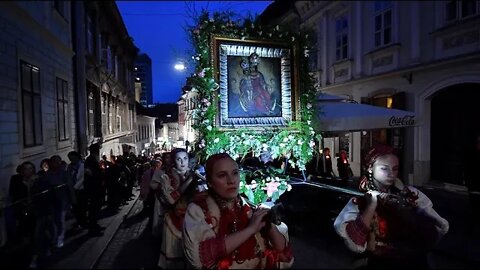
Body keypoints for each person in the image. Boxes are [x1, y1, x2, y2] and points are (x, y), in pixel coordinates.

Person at [333, 144, 449, 269]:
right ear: (371, 168)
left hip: (415, 261)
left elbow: (438, 227)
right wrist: (372, 204)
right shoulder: (360, 201)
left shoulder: (411, 194)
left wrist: (407, 201)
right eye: (384, 169)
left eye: (395, 169)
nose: (391, 174)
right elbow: (355, 242)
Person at [183, 153, 294, 269]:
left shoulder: (243, 204)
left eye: (235, 173)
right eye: (222, 175)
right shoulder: (198, 209)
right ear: (209, 182)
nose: (231, 180)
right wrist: (250, 229)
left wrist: (268, 225)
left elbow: (281, 248)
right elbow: (200, 257)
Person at [156, 148, 197, 269]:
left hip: (192, 221)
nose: (183, 162)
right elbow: (171, 199)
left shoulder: (195, 174)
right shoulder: (166, 178)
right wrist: (189, 181)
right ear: (174, 161)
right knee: (175, 255)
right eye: (179, 159)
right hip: (173, 221)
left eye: (185, 158)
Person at [465, 135, 480, 216]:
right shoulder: (470, 155)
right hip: (473, 185)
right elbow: (467, 169)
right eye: (478, 142)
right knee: (474, 204)